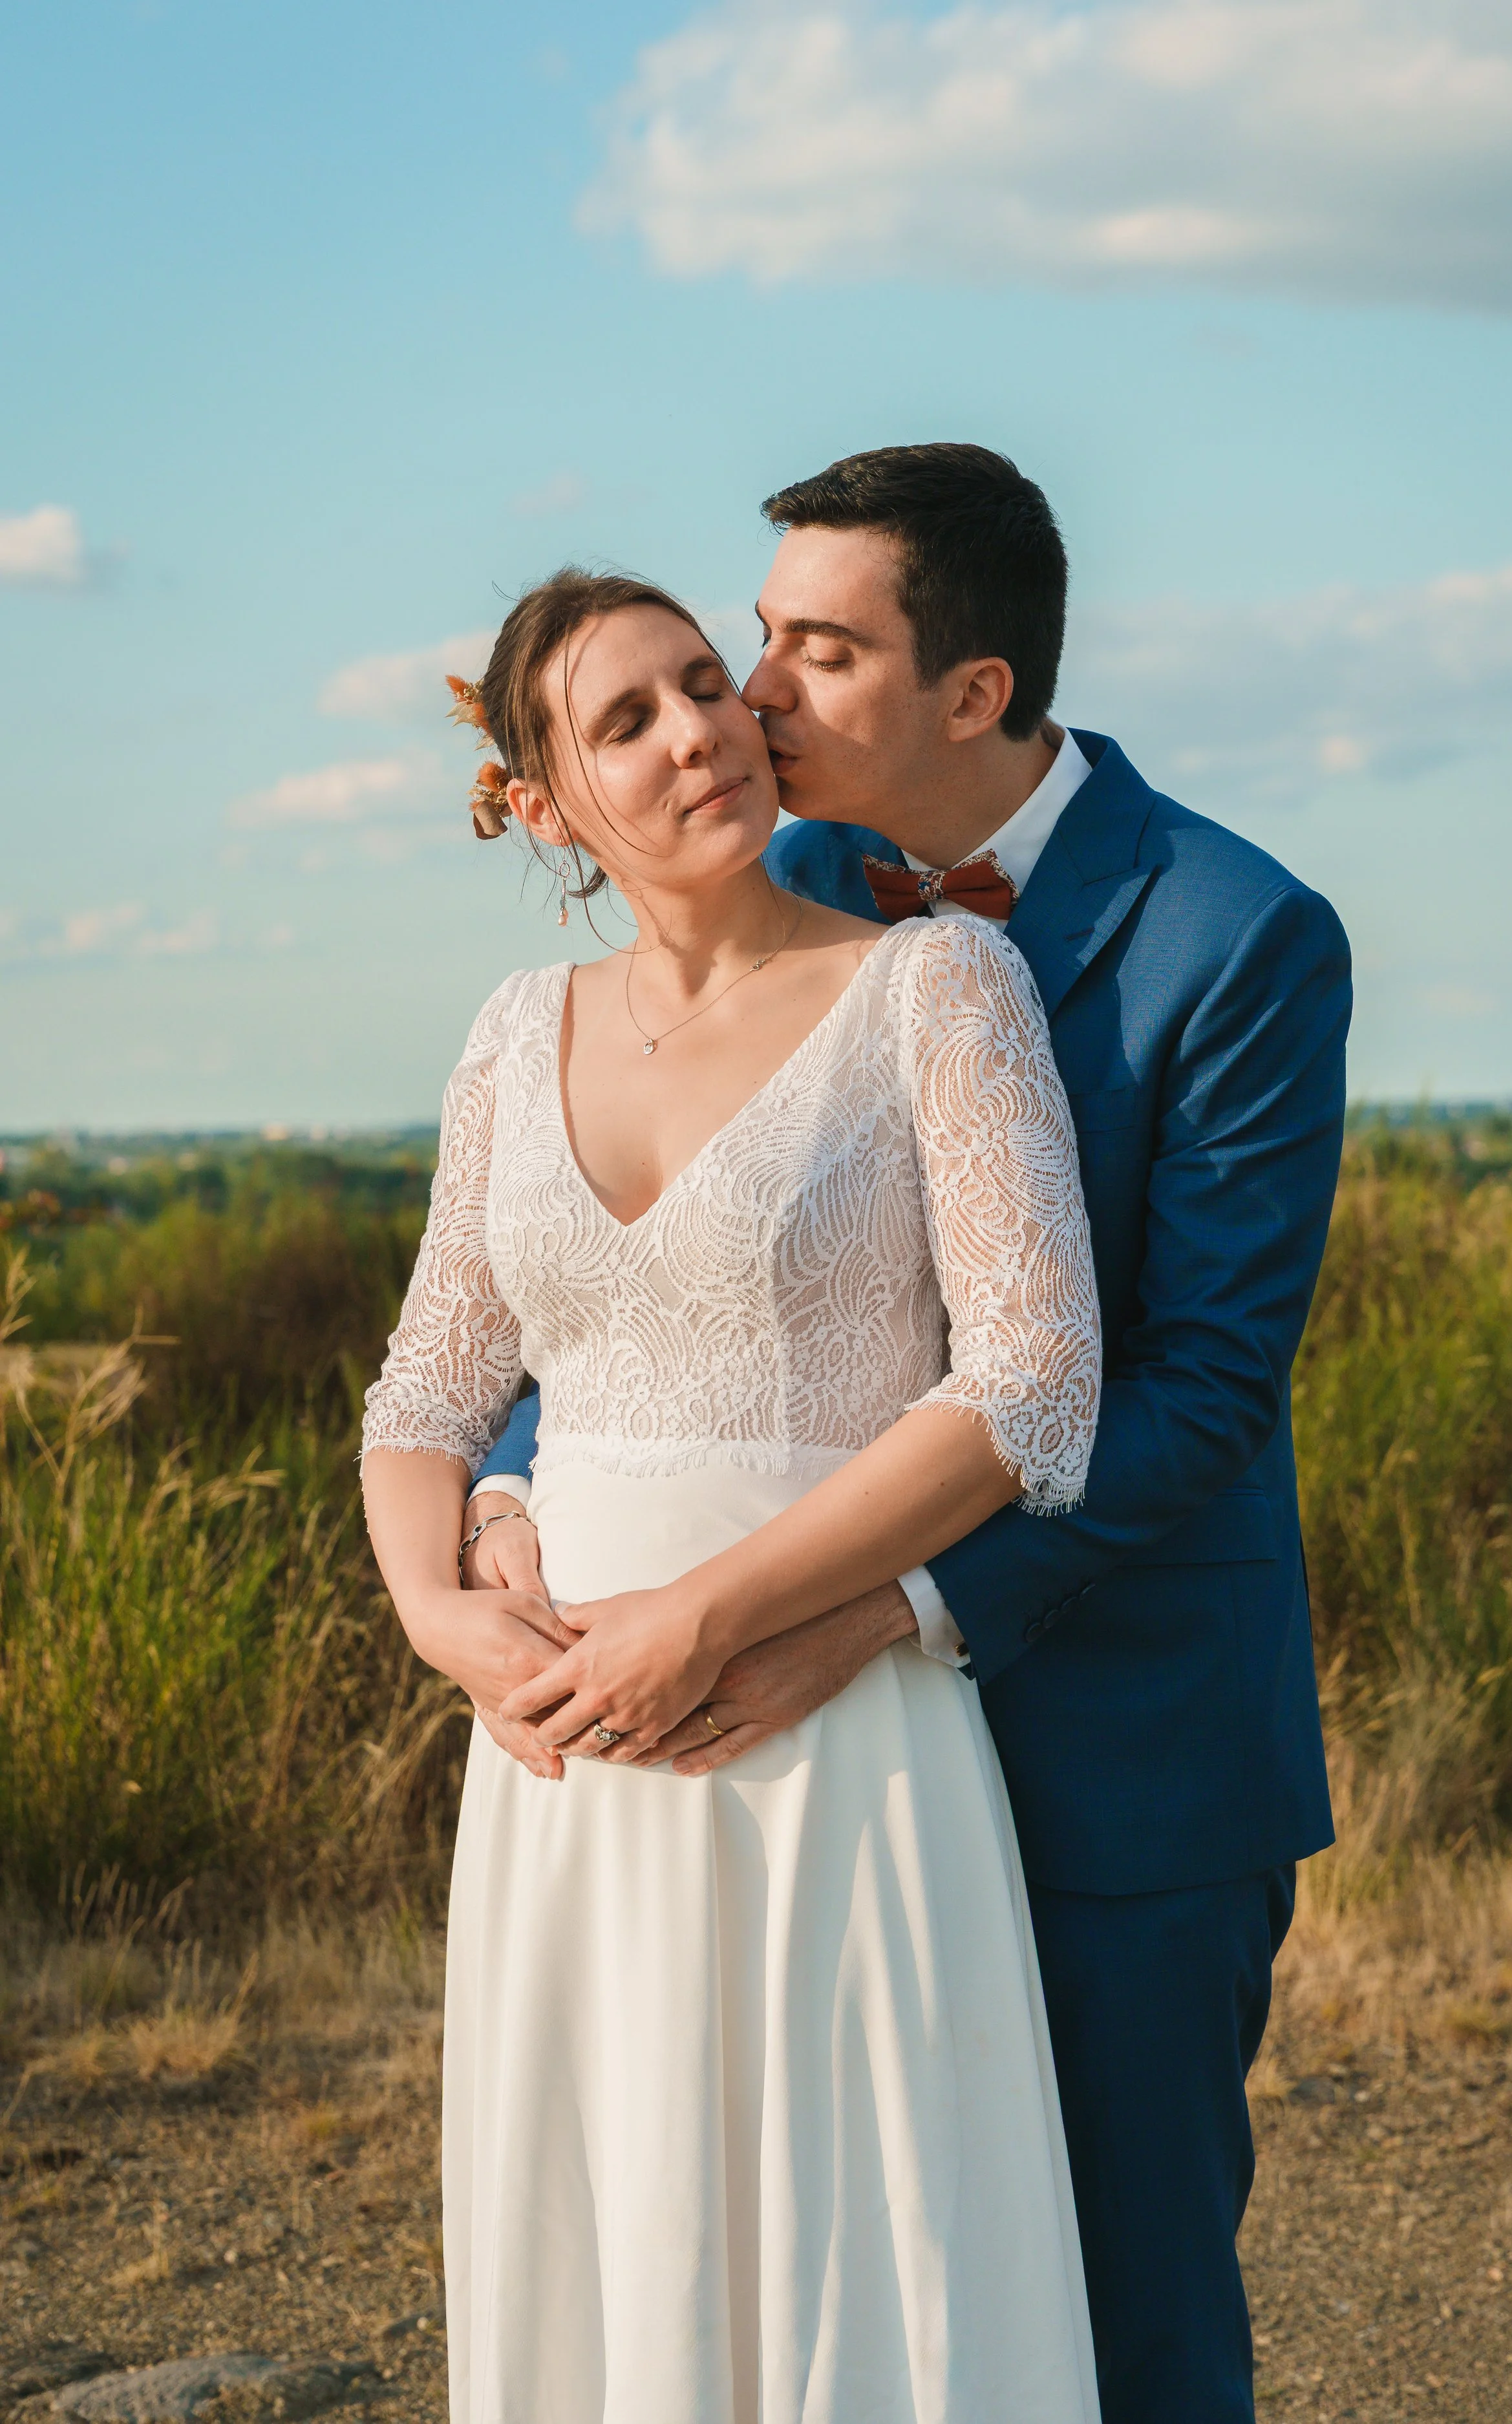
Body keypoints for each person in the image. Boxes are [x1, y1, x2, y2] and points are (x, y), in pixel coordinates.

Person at [470, 445, 1352, 2424]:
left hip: (1115, 1749)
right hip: (789, 1776)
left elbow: (1203, 1385)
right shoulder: (771, 884)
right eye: (756, 637)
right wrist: (516, 1479)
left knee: (1115, 2317)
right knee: (801, 2289)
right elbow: (642, 1256)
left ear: (973, 690)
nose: (750, 697)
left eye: (818, 649)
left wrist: (880, 1613)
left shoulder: (1238, 937)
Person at [361, 565, 1105, 2423]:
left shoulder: (937, 984)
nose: (701, 730)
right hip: (563, 1766)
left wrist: (706, 1616)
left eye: (705, 681)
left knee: (859, 2241)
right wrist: (445, 1619)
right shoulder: (511, 1033)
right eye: (626, 720)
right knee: (613, 2244)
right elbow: (429, 1392)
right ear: (544, 806)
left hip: (828, 1735)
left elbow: (1028, 1383)